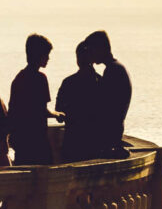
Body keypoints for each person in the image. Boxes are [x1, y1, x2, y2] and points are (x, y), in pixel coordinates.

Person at [8, 34, 62, 166]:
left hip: (22, 141)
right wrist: (57, 114)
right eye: (46, 54)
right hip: (37, 141)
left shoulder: (18, 78)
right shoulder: (40, 79)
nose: (48, 58)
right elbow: (41, 110)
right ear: (39, 55)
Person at [84, 30, 131, 158]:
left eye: (91, 50)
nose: (90, 55)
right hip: (114, 133)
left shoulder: (113, 71)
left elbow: (104, 107)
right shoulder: (116, 68)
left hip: (110, 136)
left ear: (100, 49)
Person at [55, 40, 100, 162]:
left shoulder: (68, 83)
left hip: (72, 142)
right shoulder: (101, 82)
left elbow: (58, 115)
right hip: (95, 143)